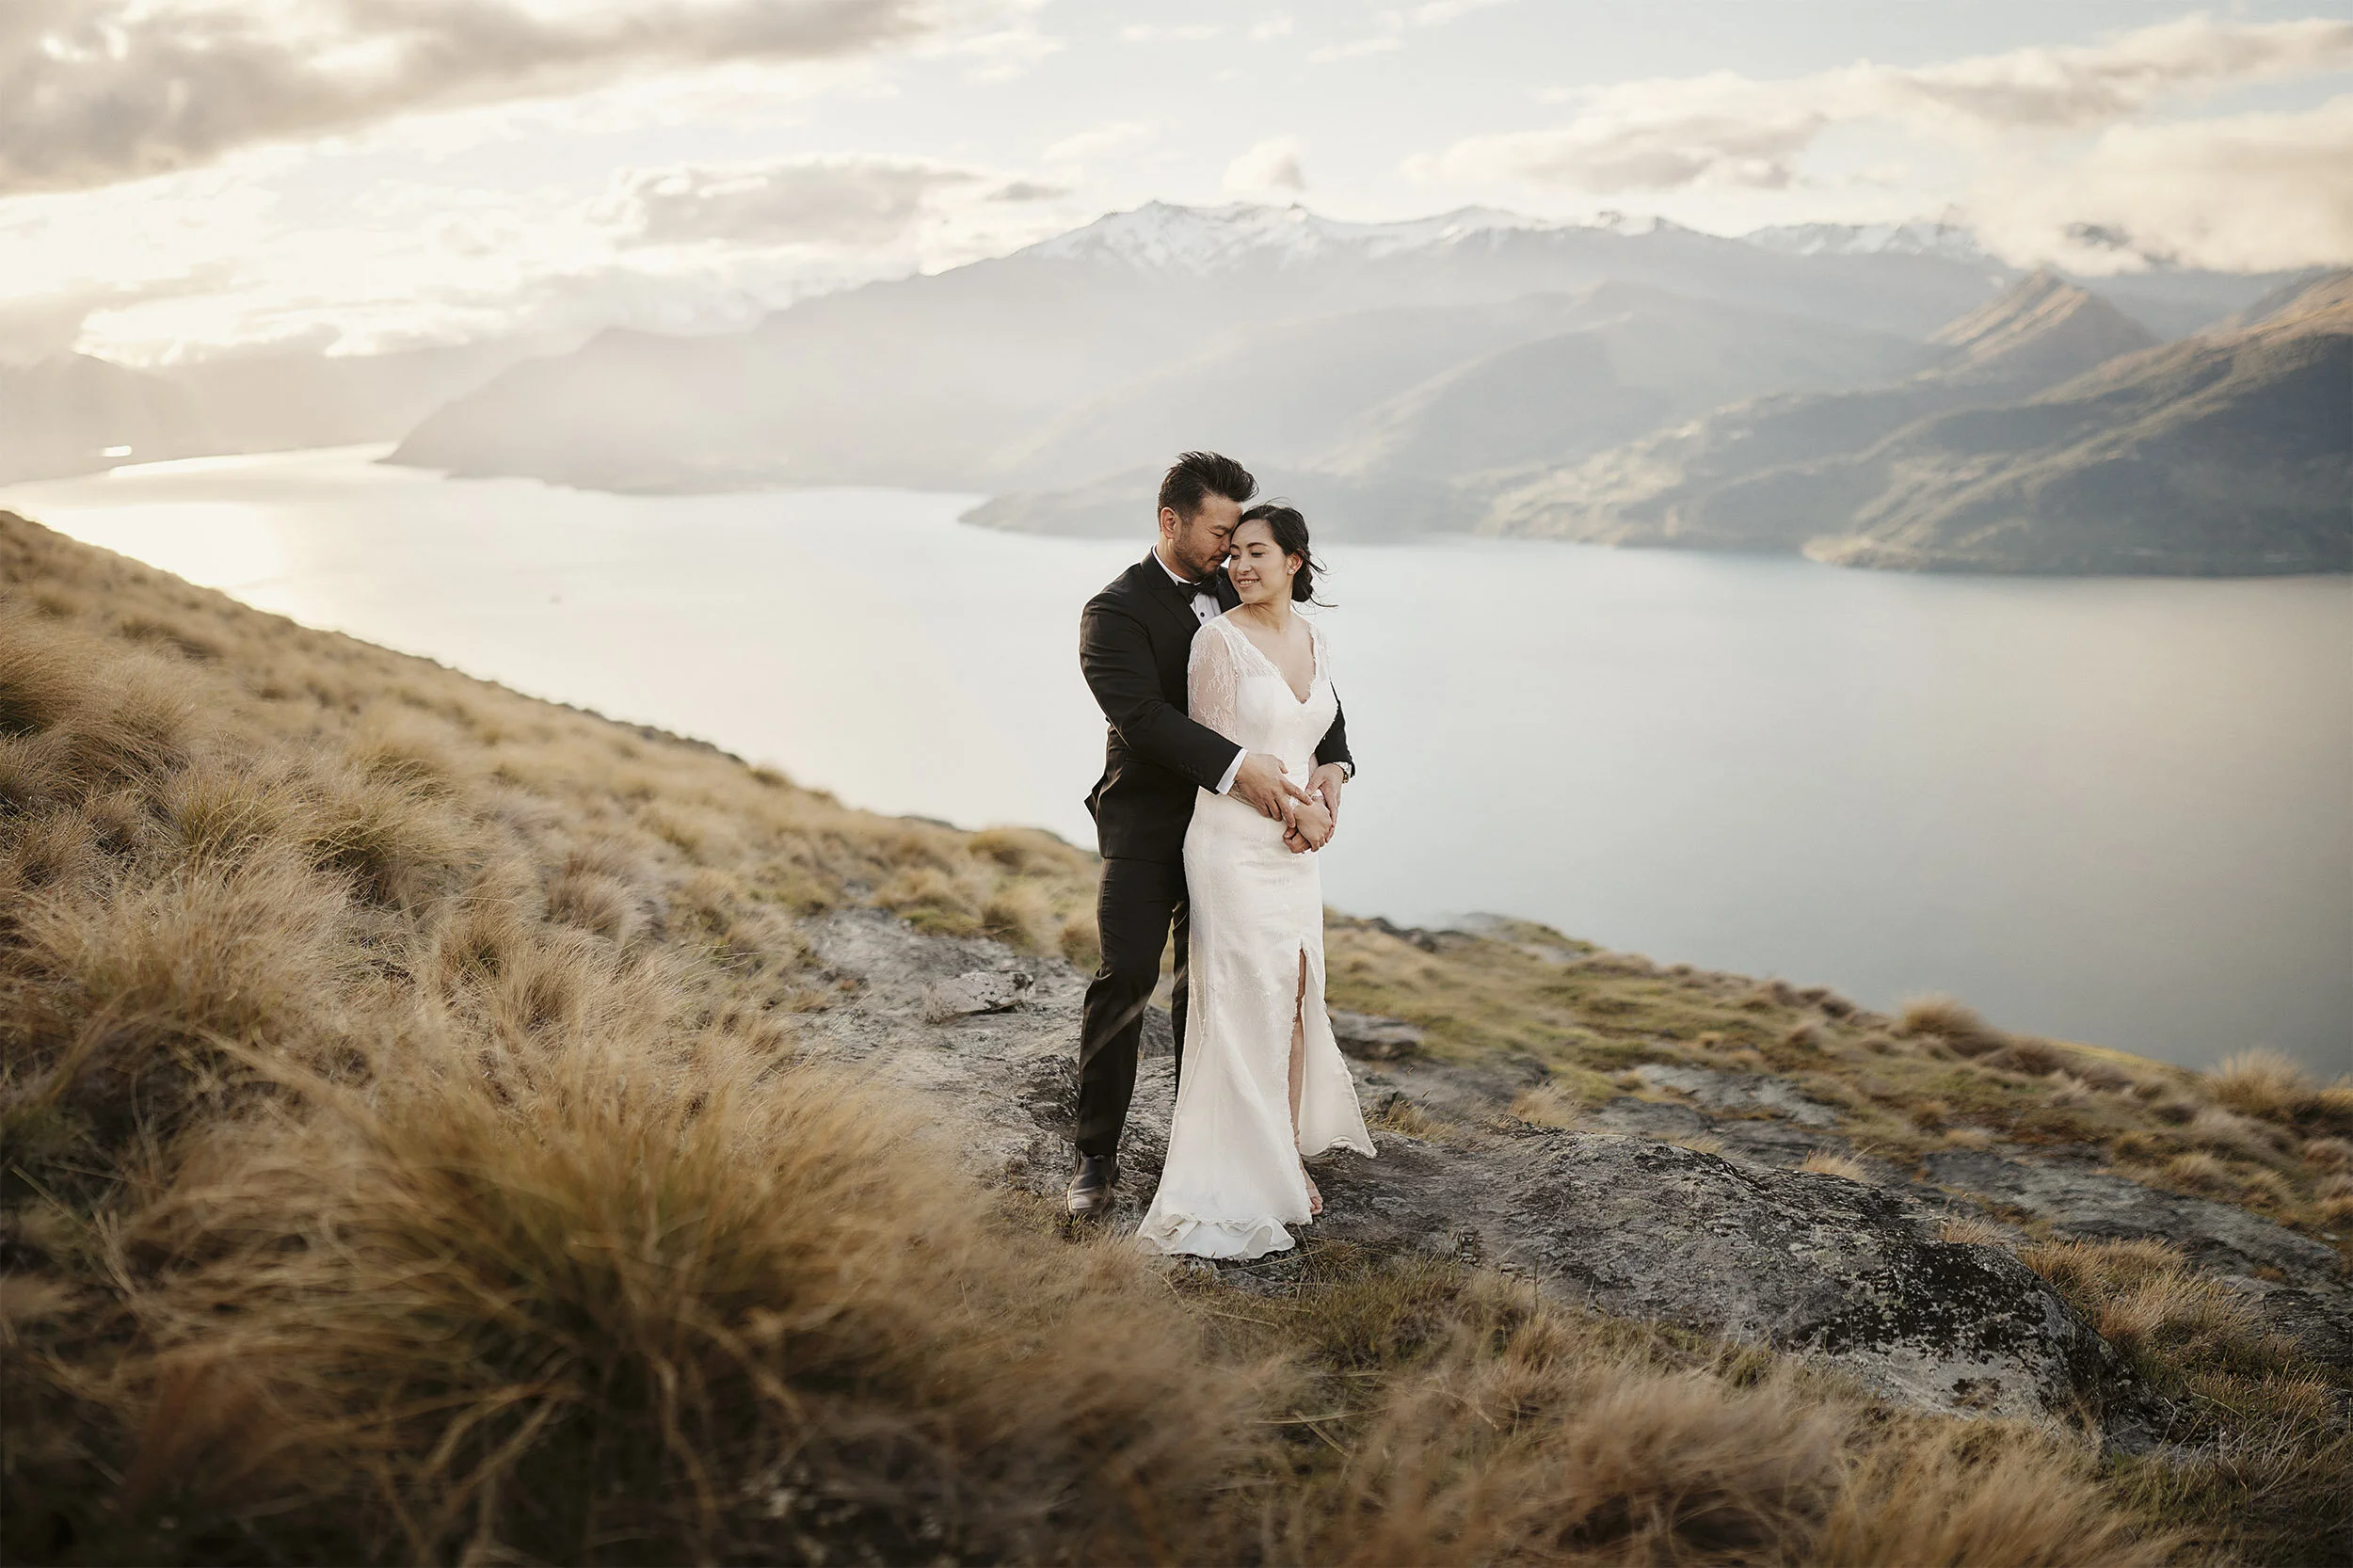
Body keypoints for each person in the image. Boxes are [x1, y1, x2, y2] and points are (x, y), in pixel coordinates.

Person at [1069, 453, 1355, 1219]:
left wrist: (1335, 765)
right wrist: (1241, 770)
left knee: (1225, 991)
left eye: (1242, 538)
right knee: (1127, 978)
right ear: (1171, 521)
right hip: (1153, 825)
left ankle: (1219, 1145)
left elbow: (1307, 689)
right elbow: (1143, 719)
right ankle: (1095, 1156)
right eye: (1220, 534)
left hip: (1243, 833)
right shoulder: (1116, 610)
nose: (1231, 553)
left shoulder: (1245, 586)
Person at [1134, 501, 1376, 1256]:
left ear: (1294, 562)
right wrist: (1294, 815)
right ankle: (1249, 1170)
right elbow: (1209, 765)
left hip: (1293, 854)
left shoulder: (1315, 637)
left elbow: (1319, 731)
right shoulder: (1217, 642)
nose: (1239, 566)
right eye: (1233, 553)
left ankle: (1284, 1149)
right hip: (1234, 848)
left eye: (1257, 554)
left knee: (1298, 991)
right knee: (1242, 1000)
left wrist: (1331, 781)